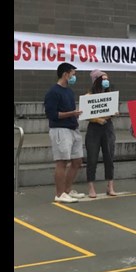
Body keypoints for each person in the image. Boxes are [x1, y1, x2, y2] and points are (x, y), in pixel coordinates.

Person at [44, 62, 84, 203]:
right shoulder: (53, 92)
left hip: (73, 128)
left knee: (77, 160)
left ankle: (67, 190)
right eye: (72, 74)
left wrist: (75, 114)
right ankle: (59, 193)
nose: (74, 76)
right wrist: (71, 113)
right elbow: (52, 114)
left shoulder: (69, 91)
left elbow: (70, 111)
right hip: (60, 130)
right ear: (65, 74)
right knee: (62, 161)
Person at [84, 70, 118, 198]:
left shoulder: (110, 95)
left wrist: (114, 113)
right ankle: (91, 187)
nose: (106, 81)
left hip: (108, 127)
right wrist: (97, 119)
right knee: (92, 157)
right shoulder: (88, 96)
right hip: (94, 128)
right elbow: (85, 115)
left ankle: (110, 185)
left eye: (107, 78)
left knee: (109, 156)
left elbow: (113, 110)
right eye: (103, 78)